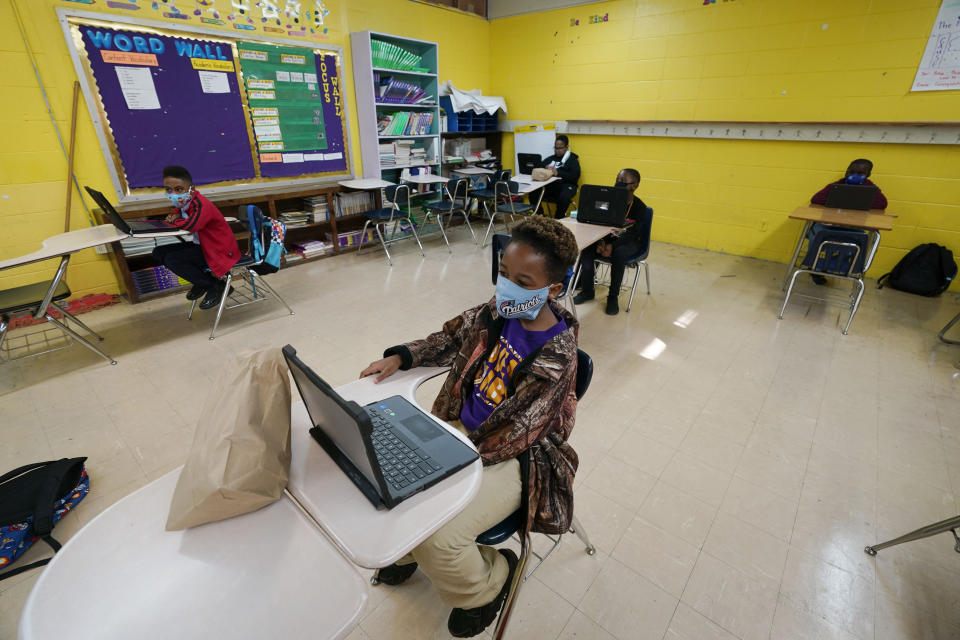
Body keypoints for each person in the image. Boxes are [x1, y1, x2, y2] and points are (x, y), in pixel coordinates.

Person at [359, 216, 580, 638]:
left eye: (522, 279)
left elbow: (517, 433)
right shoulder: (500, 311)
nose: (507, 286)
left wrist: (444, 457)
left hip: (517, 458)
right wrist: (403, 356)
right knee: (387, 474)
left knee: (437, 537)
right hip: (460, 432)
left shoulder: (558, 357)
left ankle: (489, 583)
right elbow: (450, 336)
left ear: (552, 289)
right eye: (503, 272)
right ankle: (407, 553)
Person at [151, 165, 241, 309]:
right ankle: (202, 282)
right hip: (203, 246)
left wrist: (175, 220)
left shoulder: (201, 204)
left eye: (179, 189)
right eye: (169, 190)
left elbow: (191, 226)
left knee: (173, 259)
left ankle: (214, 286)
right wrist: (176, 216)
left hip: (218, 250)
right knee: (159, 252)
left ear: (191, 188)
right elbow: (177, 213)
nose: (173, 193)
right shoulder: (184, 203)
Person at [573, 168, 649, 316]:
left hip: (630, 242)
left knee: (619, 253)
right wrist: (601, 241)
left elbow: (633, 233)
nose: (618, 184)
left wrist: (612, 246)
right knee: (588, 248)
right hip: (607, 238)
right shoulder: (609, 201)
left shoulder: (640, 207)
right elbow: (599, 223)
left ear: (635, 185)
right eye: (617, 180)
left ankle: (613, 297)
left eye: (623, 182)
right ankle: (588, 291)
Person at [807, 158, 887, 284]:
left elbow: (882, 204)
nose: (853, 176)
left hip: (853, 227)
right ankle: (813, 265)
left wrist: (857, 199)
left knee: (860, 241)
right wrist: (841, 199)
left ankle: (831, 266)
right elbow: (816, 199)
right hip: (829, 225)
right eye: (851, 172)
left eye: (860, 174)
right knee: (816, 232)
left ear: (868, 175)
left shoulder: (870, 189)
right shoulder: (837, 185)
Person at [536, 134, 580, 218]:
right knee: (534, 192)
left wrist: (558, 173)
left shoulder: (572, 160)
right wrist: (544, 168)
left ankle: (558, 220)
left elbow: (575, 176)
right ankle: (540, 217)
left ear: (566, 147)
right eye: (555, 148)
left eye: (560, 148)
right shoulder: (551, 158)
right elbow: (539, 166)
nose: (557, 150)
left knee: (564, 196)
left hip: (567, 185)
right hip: (552, 186)